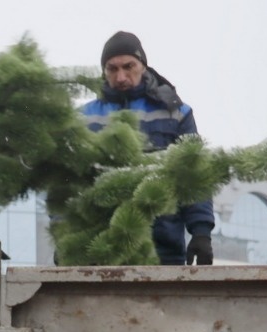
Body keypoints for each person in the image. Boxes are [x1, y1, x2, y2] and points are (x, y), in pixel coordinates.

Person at [81, 31, 216, 265]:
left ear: (142, 65)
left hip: (163, 249)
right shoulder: (85, 119)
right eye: (112, 69)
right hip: (101, 250)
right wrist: (64, 237)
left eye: (128, 66)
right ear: (104, 71)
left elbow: (194, 174)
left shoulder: (175, 112)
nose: (121, 77)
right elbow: (68, 185)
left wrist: (201, 232)